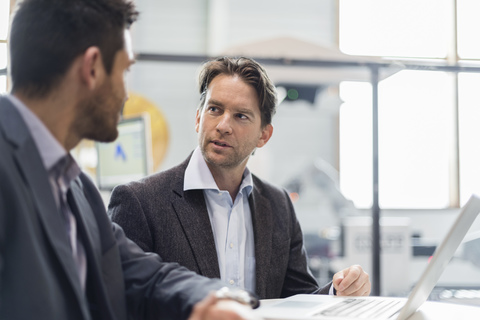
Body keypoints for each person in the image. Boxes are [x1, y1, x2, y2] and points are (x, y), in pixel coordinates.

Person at [0, 1, 259, 319]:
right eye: (124, 70)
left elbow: (143, 273)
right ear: (92, 68)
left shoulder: (76, 186)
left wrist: (217, 298)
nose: (126, 93)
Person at [109, 56, 371, 299]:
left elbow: (298, 298)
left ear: (264, 135)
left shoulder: (278, 204)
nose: (223, 125)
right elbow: (124, 302)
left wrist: (339, 292)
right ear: (199, 118)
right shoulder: (140, 202)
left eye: (240, 116)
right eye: (214, 109)